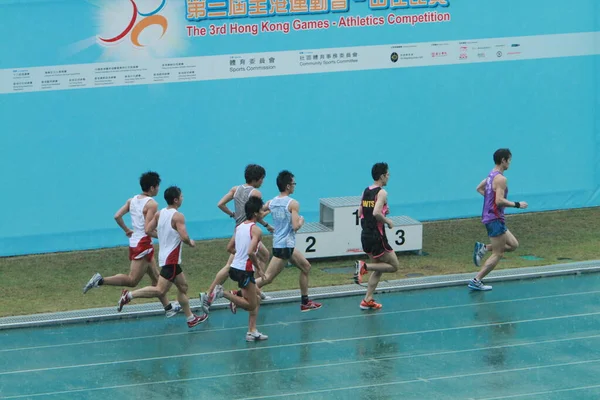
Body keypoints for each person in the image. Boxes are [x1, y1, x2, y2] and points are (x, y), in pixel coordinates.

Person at [83, 171, 180, 318]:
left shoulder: (132, 200)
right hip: (143, 244)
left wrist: (127, 230)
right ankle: (101, 280)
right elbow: (148, 229)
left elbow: (117, 216)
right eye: (158, 186)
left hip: (135, 242)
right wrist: (164, 236)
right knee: (132, 280)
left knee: (156, 278)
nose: (159, 189)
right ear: (152, 188)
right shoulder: (152, 204)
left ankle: (168, 308)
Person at [117, 186, 207, 328]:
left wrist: (163, 236)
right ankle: (128, 296)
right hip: (170, 259)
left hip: (168, 258)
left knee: (183, 286)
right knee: (160, 290)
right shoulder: (178, 216)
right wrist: (190, 242)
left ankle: (190, 318)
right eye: (181, 196)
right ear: (176, 200)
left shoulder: (160, 213)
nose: (183, 198)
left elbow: (147, 230)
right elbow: (184, 237)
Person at [200, 164, 273, 314]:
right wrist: (267, 223)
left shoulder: (235, 189)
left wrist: (233, 214)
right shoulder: (256, 193)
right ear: (257, 179)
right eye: (262, 179)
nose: (263, 182)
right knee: (230, 265)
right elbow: (256, 213)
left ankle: (255, 290)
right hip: (248, 231)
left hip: (239, 228)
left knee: (263, 255)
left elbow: (220, 204)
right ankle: (209, 294)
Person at [254, 170, 322, 312]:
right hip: (285, 246)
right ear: (287, 186)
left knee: (306, 267)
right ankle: (239, 293)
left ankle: (305, 302)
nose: (295, 186)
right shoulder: (293, 204)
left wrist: (267, 221)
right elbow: (295, 226)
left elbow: (259, 213)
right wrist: (302, 221)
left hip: (283, 244)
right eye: (293, 183)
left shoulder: (271, 202)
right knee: (268, 278)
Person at [470, 148, 528, 291]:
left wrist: (490, 200)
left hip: (494, 217)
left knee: (513, 245)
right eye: (509, 160)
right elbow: (499, 201)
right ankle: (476, 280)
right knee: (498, 253)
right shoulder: (501, 179)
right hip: (494, 219)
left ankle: (483, 248)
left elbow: (479, 188)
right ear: (503, 160)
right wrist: (517, 204)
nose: (510, 163)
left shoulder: (491, 175)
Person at [212, 196, 269, 341]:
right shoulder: (256, 231)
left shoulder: (240, 227)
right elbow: (250, 252)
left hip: (235, 268)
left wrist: (240, 256)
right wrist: (259, 269)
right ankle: (223, 293)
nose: (263, 212)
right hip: (244, 270)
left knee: (257, 297)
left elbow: (229, 247)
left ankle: (252, 331)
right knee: (251, 305)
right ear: (255, 213)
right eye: (262, 210)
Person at [353, 162, 399, 310]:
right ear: (382, 176)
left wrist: (384, 211)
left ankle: (367, 299)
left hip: (365, 235)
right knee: (394, 266)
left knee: (379, 268)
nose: (389, 177)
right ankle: (363, 266)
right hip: (377, 236)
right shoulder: (382, 192)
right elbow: (376, 213)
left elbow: (360, 213)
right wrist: (388, 221)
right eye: (388, 174)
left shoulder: (365, 191)